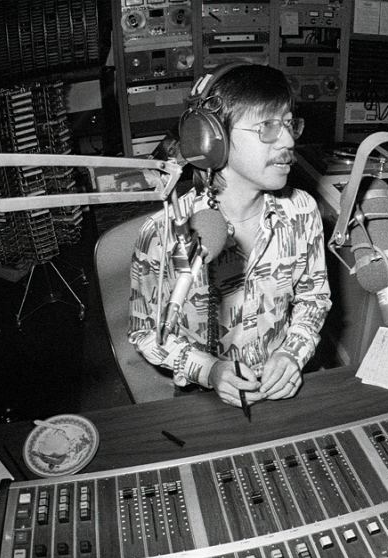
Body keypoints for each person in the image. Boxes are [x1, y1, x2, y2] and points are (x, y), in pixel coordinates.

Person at [128, 64, 331, 410]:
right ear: (210, 140)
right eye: (267, 127)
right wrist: (209, 370)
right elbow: (145, 332)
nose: (288, 141)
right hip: (204, 394)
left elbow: (314, 298)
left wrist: (291, 353)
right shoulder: (163, 233)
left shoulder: (303, 210)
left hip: (282, 386)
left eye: (288, 124)